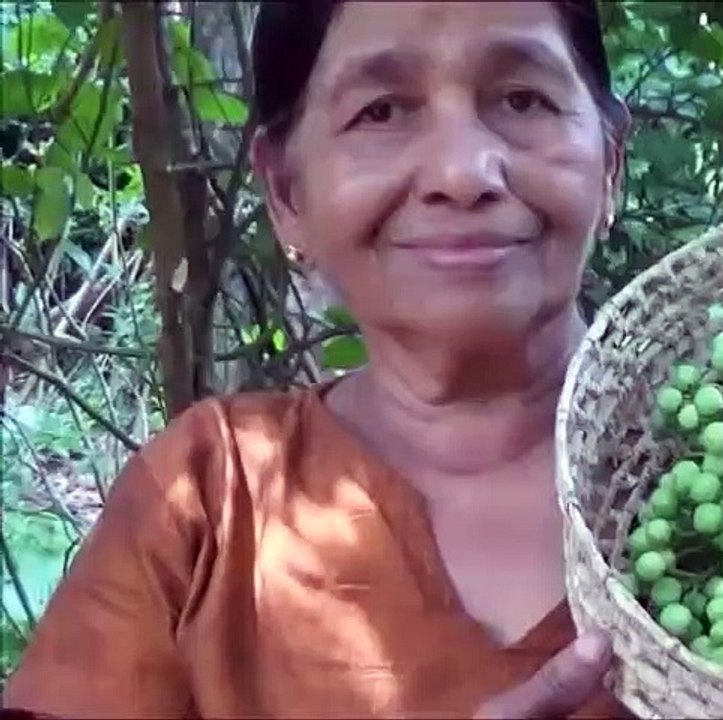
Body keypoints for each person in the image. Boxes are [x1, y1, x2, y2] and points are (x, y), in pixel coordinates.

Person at [2, 1, 633, 717]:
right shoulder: (210, 504)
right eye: (382, 112)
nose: (463, 172)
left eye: (523, 99)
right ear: (286, 192)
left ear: (611, 163)